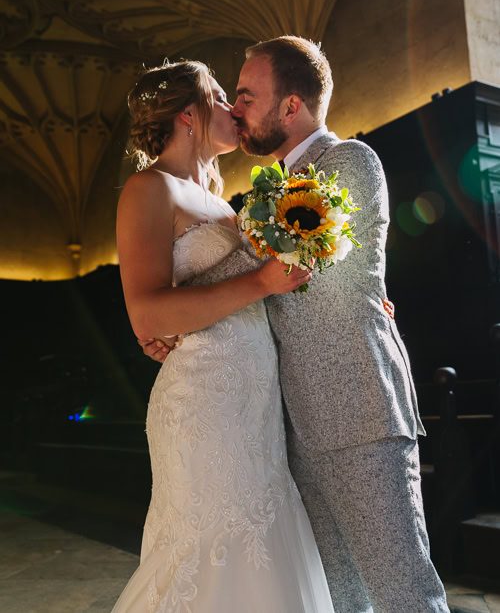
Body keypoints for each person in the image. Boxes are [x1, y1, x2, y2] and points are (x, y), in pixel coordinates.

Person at [143, 38, 450, 613]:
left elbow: (279, 257)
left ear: (291, 107)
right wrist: (178, 314)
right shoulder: (263, 192)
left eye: (247, 95)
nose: (236, 109)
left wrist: (177, 309)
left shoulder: (346, 162)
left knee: (404, 591)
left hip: (356, 409)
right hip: (289, 430)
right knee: (340, 600)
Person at [111, 59, 335, 612]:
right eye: (219, 96)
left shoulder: (221, 201)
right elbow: (147, 314)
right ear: (188, 114)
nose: (234, 107)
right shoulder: (149, 188)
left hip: (253, 407)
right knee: (210, 556)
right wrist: (261, 281)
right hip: (204, 406)